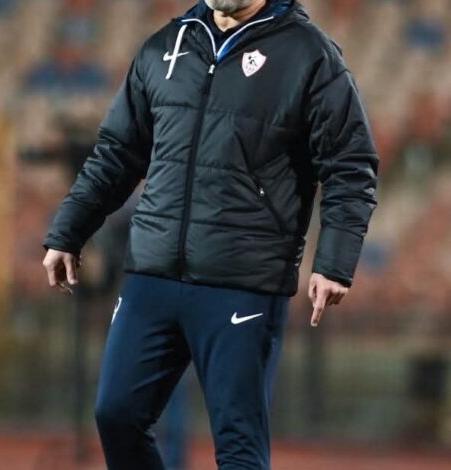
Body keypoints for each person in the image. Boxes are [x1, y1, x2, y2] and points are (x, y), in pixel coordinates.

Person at [42, 1, 378, 469]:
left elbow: (350, 166)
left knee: (239, 443)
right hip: (153, 273)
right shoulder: (165, 45)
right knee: (116, 414)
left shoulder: (309, 55)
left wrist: (334, 262)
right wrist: (69, 230)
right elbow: (116, 153)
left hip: (243, 280)